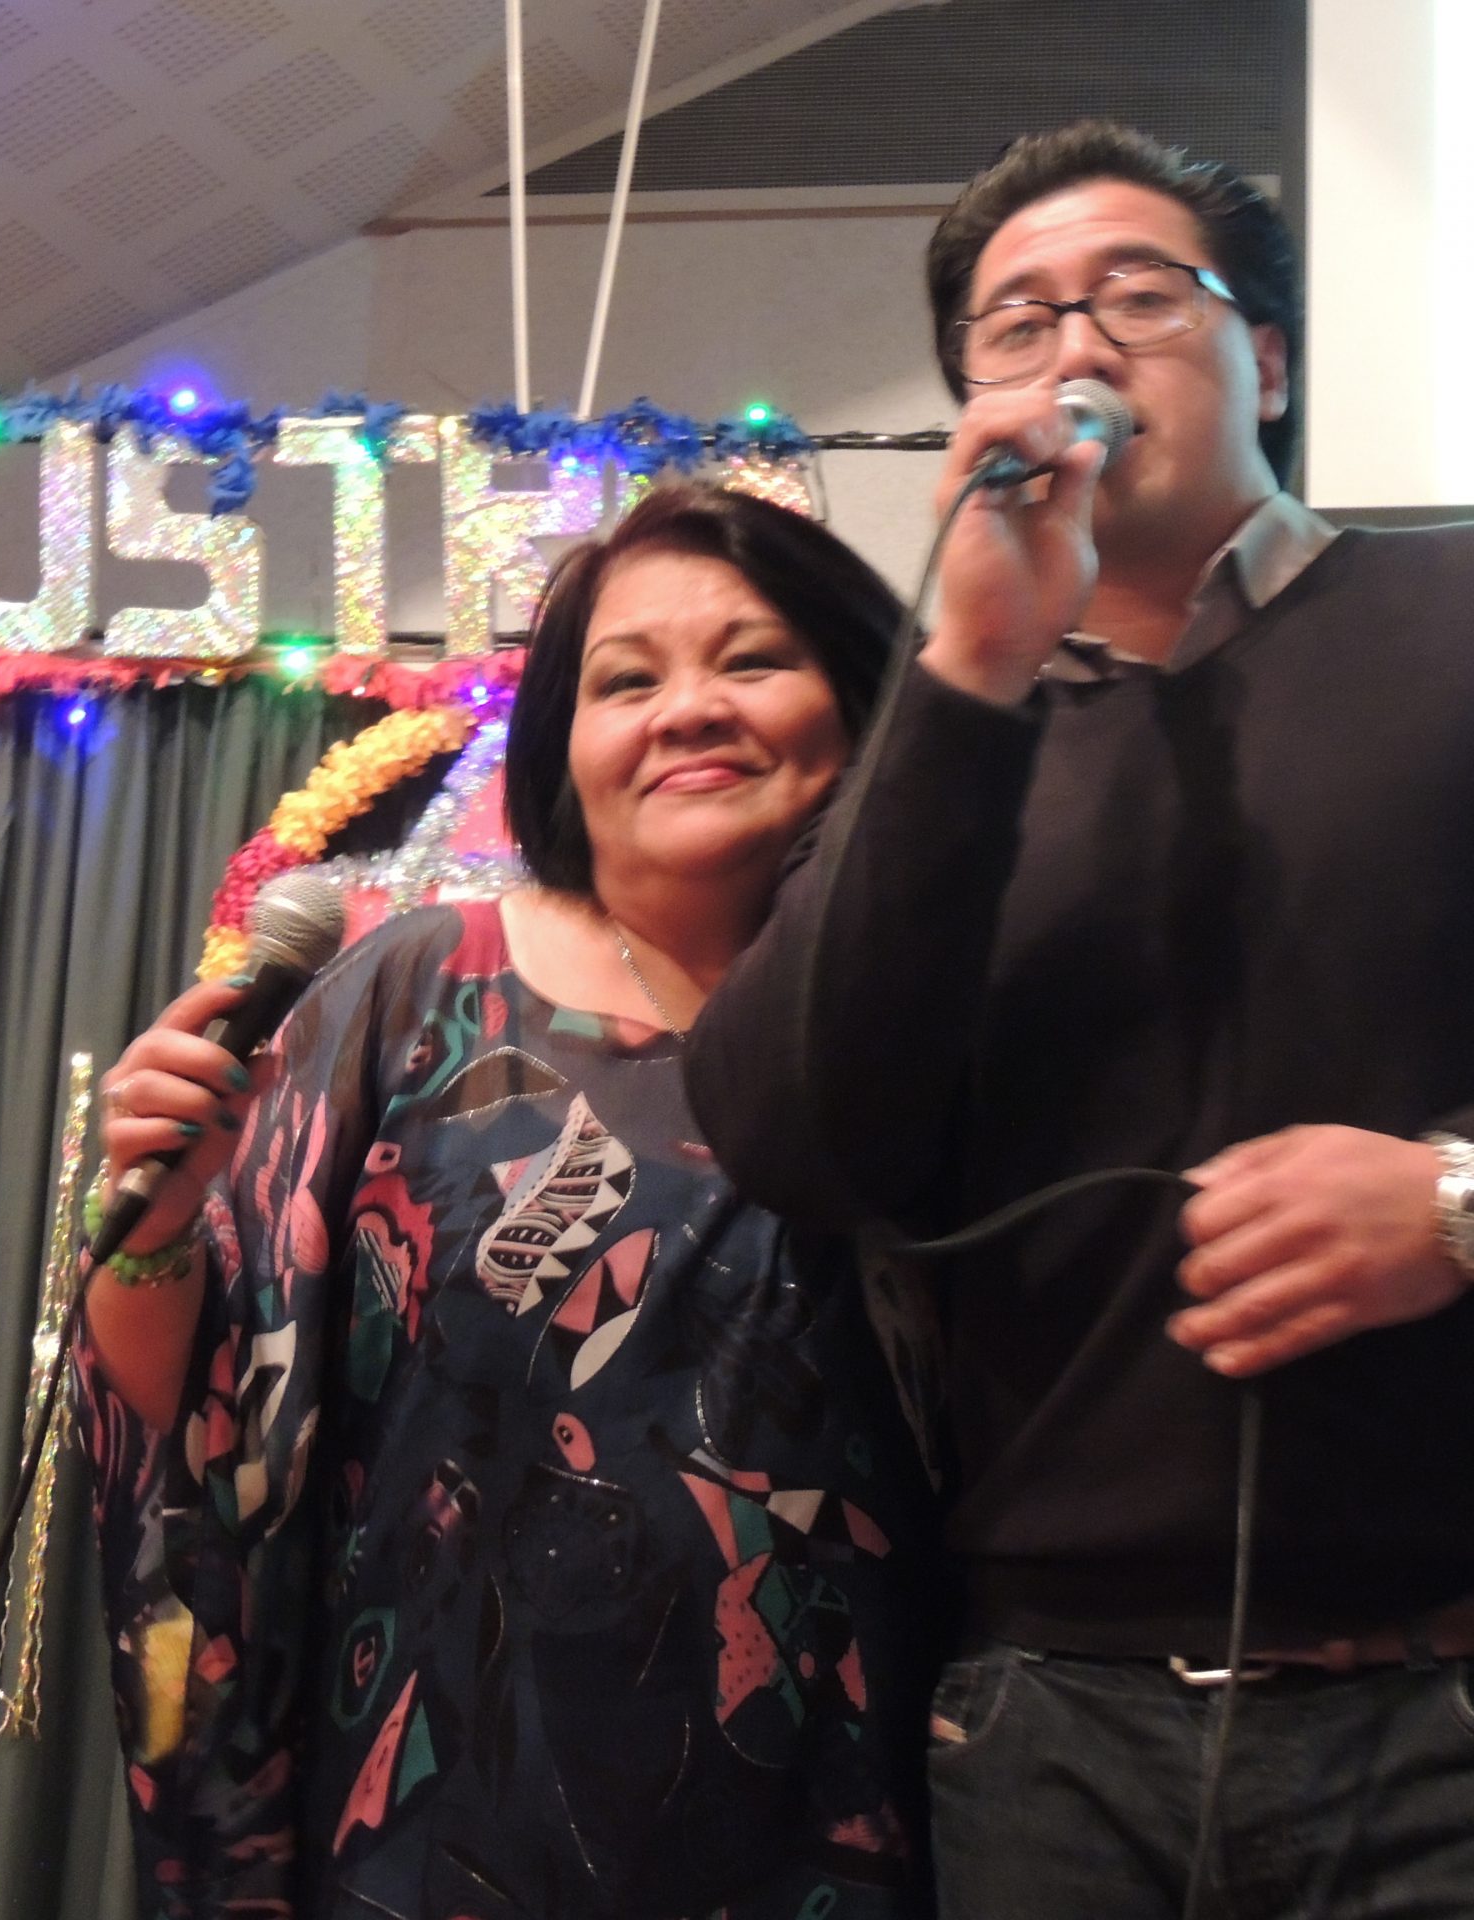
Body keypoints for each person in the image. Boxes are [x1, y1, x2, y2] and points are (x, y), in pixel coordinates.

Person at [684, 123, 1474, 1918]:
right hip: (1050, 1726)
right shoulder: (943, 736)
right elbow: (789, 1138)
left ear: (1266, 359)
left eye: (1139, 295)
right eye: (1016, 324)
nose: (1076, 348)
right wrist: (968, 675)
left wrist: (1468, 1199)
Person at [74, 484, 945, 1919]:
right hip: (445, 1821)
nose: (690, 709)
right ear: (562, 743)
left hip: (842, 1831)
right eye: (627, 680)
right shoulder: (414, 995)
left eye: (752, 659)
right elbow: (204, 1419)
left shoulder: (935, 1031)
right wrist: (155, 1233)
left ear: (863, 705)